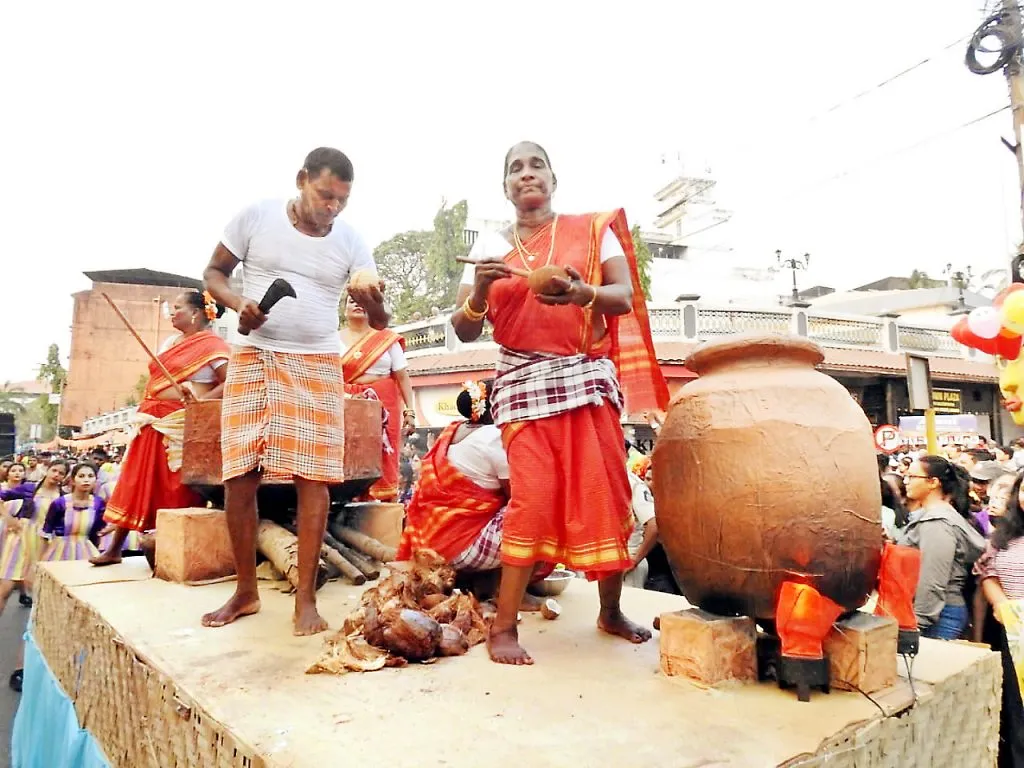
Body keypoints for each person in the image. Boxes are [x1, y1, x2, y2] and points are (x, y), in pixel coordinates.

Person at [451, 141, 669, 664]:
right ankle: (503, 628)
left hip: (585, 380)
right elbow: (462, 328)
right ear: (504, 187)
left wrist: (579, 295)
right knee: (533, 496)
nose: (526, 175)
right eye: (514, 169)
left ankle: (610, 611)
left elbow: (623, 297)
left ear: (553, 177)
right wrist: (479, 294)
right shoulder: (489, 244)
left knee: (608, 492)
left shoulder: (594, 230)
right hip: (522, 385)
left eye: (536, 165)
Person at [201, 147, 387, 636]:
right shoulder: (257, 216)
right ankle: (245, 592)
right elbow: (212, 274)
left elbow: (383, 321)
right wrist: (238, 302)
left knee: (316, 478)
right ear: (302, 179)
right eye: (326, 195)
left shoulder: (350, 241)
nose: (333, 208)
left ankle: (305, 598)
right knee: (240, 475)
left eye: (342, 200)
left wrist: (374, 303)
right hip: (254, 355)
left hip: (318, 362)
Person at [91, 291, 231, 565]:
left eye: (178, 307)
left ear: (196, 313)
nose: (172, 312)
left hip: (182, 424)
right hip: (152, 418)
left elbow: (230, 382)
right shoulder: (170, 342)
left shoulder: (215, 346)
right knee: (136, 478)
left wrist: (201, 399)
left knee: (175, 487)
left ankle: (174, 552)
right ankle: (115, 548)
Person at [397, 381, 510, 572]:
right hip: (460, 547)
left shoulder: (452, 430)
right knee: (534, 510)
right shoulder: (494, 437)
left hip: (431, 545)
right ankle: (511, 590)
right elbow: (516, 495)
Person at [898, 455, 986, 639]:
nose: (906, 482)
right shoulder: (934, 515)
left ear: (933, 483)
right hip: (937, 611)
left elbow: (932, 578)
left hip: (937, 615)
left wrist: (919, 622)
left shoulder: (937, 522)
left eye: (913, 477)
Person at [340, 293, 415, 502]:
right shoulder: (331, 339)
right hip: (346, 405)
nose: (356, 304)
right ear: (344, 310)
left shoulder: (386, 339)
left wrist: (411, 411)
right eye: (351, 300)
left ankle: (385, 503)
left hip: (383, 407)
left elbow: (402, 377)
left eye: (362, 301)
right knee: (349, 457)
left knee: (384, 456)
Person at [974, 471, 1024, 766]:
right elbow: (987, 573)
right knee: (1018, 710)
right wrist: (1001, 603)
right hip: (1016, 636)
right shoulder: (1003, 536)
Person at [40, 463, 106, 562]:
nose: (86, 480)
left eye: (90, 476)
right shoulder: (60, 503)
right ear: (72, 480)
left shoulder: (98, 503)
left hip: (87, 550)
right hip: (59, 550)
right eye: (81, 476)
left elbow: (98, 532)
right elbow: (46, 533)